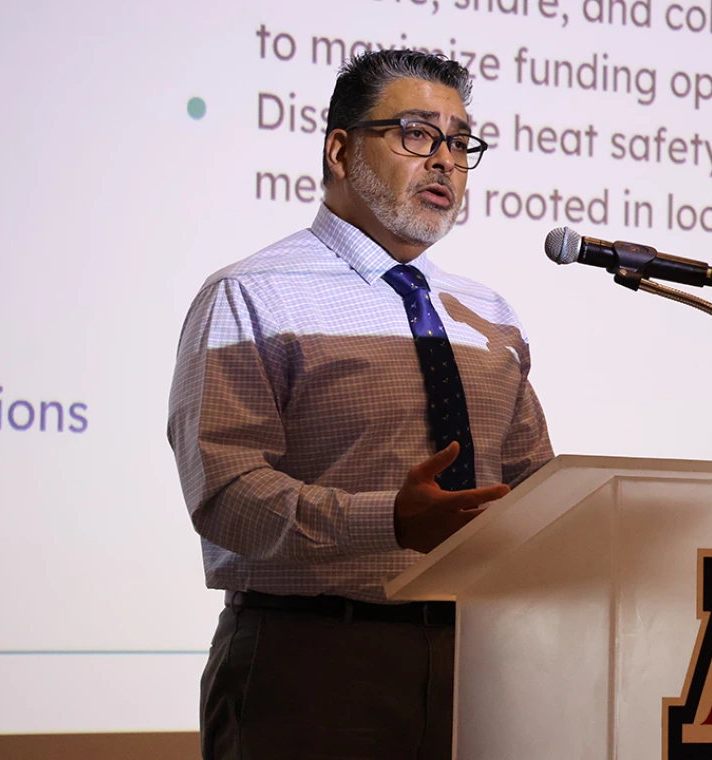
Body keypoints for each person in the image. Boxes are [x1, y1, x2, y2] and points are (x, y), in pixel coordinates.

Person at [167, 49, 553, 760]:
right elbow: (226, 494)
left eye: (461, 142)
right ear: (341, 150)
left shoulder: (488, 316)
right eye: (417, 133)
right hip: (314, 663)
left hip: (487, 666)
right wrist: (391, 521)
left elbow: (534, 489)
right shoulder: (253, 294)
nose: (445, 161)